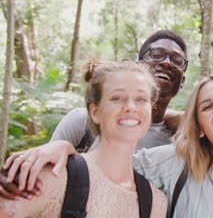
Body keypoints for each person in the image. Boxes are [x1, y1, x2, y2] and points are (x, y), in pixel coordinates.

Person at [3, 75, 213, 217]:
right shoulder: (173, 164)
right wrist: (63, 149)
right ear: (200, 128)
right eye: (207, 106)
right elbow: (108, 165)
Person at [0, 60, 167, 217]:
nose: (131, 107)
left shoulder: (155, 204)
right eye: (117, 98)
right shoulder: (50, 177)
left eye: (141, 99)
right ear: (95, 112)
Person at [51, 29, 188, 152]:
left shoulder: (179, 142)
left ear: (182, 81)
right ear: (140, 66)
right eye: (157, 54)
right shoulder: (84, 121)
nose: (167, 62)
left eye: (177, 60)